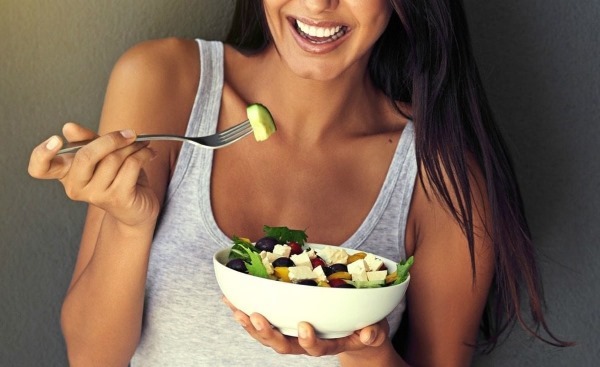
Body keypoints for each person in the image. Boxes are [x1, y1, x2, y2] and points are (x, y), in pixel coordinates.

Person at [28, 0, 571, 366]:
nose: (317, 4)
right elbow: (91, 356)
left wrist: (367, 351)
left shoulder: (442, 176)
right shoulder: (163, 80)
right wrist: (130, 225)